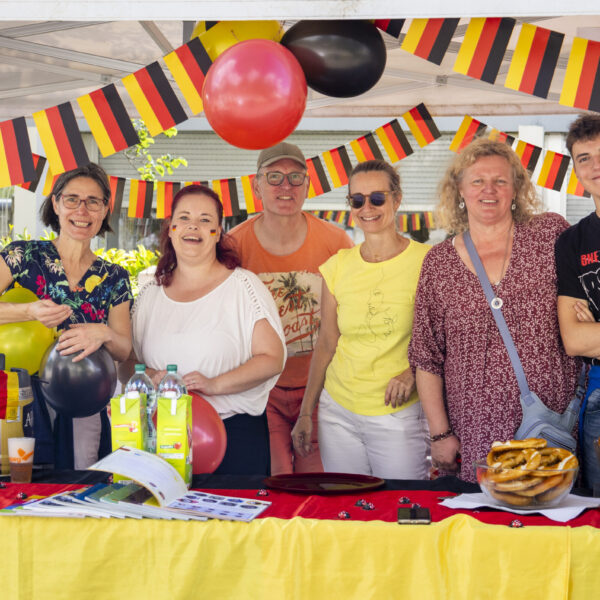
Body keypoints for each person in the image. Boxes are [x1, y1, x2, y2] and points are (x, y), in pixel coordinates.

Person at [408, 138, 579, 482]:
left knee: (552, 523)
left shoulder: (548, 234)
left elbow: (586, 278)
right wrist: (440, 435)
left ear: (516, 189)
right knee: (485, 529)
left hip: (549, 422)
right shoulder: (438, 263)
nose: (490, 190)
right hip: (476, 432)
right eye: (477, 181)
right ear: (459, 189)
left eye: (501, 180)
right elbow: (427, 357)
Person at [131, 184, 286, 476]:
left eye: (205, 220)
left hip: (233, 437)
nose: (193, 227)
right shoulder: (150, 292)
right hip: (161, 439)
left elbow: (271, 358)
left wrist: (213, 385)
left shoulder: (243, 286)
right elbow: (128, 362)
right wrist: (150, 376)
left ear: (218, 231)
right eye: (185, 218)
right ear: (172, 228)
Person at [290, 159, 431, 479]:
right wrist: (306, 413)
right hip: (337, 411)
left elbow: (445, 339)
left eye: (377, 198)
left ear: (397, 199)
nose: (367, 207)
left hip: (398, 414)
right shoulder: (337, 266)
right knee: (347, 511)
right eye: (357, 200)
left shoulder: (428, 261)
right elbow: (326, 343)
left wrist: (412, 374)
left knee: (402, 512)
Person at [229, 142, 353, 475]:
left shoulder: (336, 242)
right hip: (262, 392)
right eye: (275, 177)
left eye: (296, 177)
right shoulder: (233, 245)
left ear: (308, 185)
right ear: (256, 186)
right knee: (276, 479)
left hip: (322, 389)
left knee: (318, 483)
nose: (286, 186)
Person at [0, 163, 132, 469]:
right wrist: (28, 311)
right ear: (56, 204)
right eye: (72, 199)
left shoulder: (115, 277)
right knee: (19, 485)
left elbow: (124, 349)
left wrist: (105, 332)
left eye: (93, 202)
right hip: (17, 398)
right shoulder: (22, 256)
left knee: (78, 485)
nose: (82, 211)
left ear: (104, 211)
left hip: (83, 399)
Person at [556, 114, 600, 490]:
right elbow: (574, 340)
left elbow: (589, 336)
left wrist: (594, 330)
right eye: (584, 157)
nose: (595, 166)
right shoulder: (572, 242)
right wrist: (585, 334)